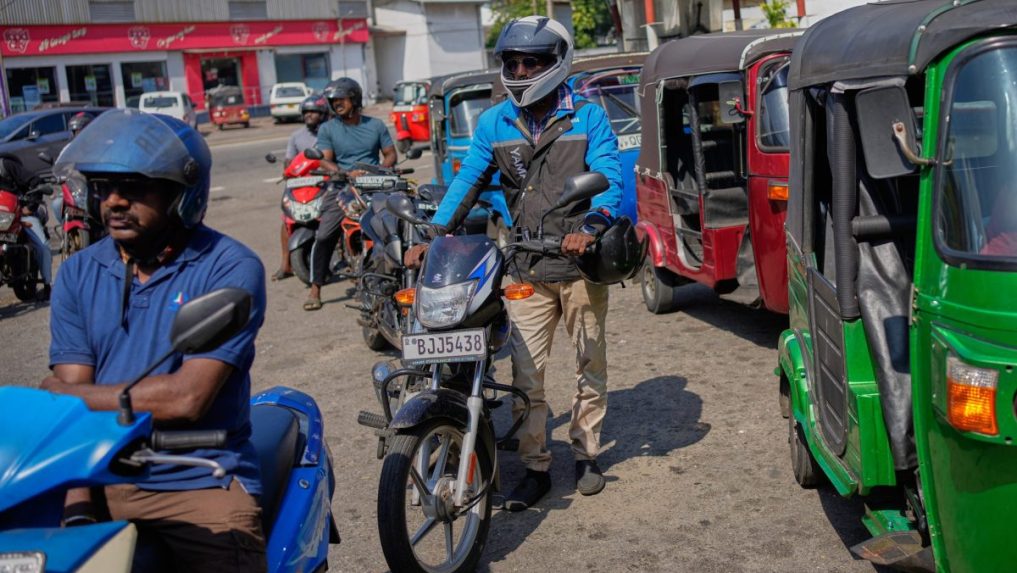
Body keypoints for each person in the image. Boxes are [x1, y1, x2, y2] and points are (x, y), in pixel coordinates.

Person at [404, 16, 623, 510]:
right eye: (513, 61)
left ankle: (587, 454)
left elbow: (609, 174)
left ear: (556, 63)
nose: (521, 69)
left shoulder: (586, 116)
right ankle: (536, 466)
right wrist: (435, 233)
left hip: (579, 264)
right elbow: (467, 183)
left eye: (533, 61)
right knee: (527, 375)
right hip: (524, 265)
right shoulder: (494, 122)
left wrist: (589, 227)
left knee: (590, 363)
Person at [41, 109, 267, 572]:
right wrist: (77, 501)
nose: (115, 201)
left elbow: (187, 397)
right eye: (104, 187)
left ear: (180, 194)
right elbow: (69, 409)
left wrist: (67, 396)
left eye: (136, 186)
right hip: (98, 474)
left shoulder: (228, 267)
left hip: (196, 476)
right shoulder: (80, 272)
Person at [303, 76, 396, 311]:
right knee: (324, 235)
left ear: (354, 98)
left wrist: (383, 170)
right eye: (332, 101)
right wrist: (344, 172)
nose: (336, 104)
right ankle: (315, 287)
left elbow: (390, 154)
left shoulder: (375, 125)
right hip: (341, 186)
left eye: (340, 99)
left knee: (396, 224)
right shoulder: (328, 128)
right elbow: (324, 159)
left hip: (375, 184)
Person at [273, 94, 329, 281]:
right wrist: (286, 169)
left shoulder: (329, 132)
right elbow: (289, 161)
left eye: (313, 111)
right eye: (306, 112)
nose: (309, 115)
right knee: (286, 219)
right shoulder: (296, 136)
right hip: (303, 185)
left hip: (326, 182)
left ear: (322, 113)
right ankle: (285, 264)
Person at [0, 155, 52, 300]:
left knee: (42, 246)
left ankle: (48, 285)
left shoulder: (6, 166)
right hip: (2, 219)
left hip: (19, 215)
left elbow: (36, 182)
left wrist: (30, 206)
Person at [51, 111, 95, 226]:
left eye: (82, 131)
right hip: (77, 188)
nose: (79, 134)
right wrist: (59, 174)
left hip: (95, 188)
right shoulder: (69, 148)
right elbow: (60, 163)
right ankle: (65, 230)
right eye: (76, 131)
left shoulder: (100, 144)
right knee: (57, 204)